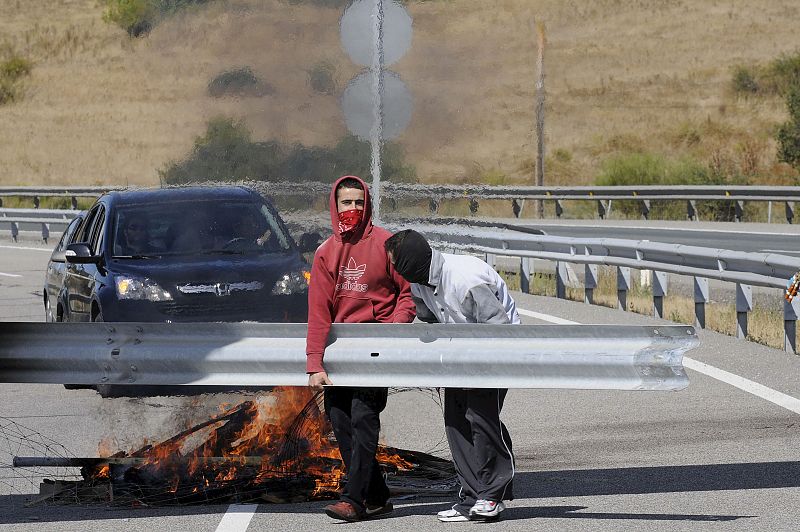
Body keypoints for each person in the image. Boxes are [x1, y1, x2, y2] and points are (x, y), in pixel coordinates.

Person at [384, 229, 518, 523]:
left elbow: (499, 326)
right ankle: (472, 496)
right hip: (460, 352)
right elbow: (431, 321)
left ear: (410, 261)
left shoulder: (466, 278)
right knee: (456, 423)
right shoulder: (419, 282)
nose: (394, 271)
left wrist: (484, 364)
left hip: (496, 350)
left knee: (480, 418)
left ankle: (492, 495)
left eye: (396, 264)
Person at [306, 175, 416, 522]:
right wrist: (315, 363)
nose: (352, 208)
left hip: (376, 349)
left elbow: (407, 295)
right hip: (340, 352)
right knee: (340, 421)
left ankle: (353, 500)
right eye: (346, 203)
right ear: (335, 206)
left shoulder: (385, 244)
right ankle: (378, 497)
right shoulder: (325, 253)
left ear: (367, 204)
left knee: (363, 419)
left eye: (358, 202)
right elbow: (318, 312)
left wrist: (394, 331)